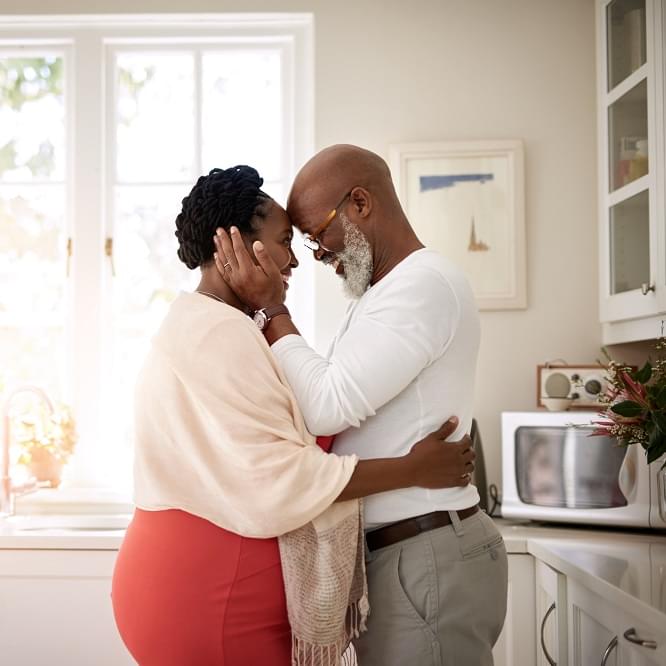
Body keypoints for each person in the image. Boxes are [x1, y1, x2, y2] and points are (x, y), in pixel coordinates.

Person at [110, 165, 476, 666]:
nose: (297, 261)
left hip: (199, 593)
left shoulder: (214, 324)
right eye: (287, 241)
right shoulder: (221, 332)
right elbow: (281, 474)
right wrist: (412, 469)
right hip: (211, 604)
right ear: (235, 246)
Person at [213, 145, 509, 666]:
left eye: (316, 235)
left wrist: (272, 308)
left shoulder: (421, 286)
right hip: (414, 553)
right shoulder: (384, 292)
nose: (316, 256)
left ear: (360, 204)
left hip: (426, 553)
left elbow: (327, 404)